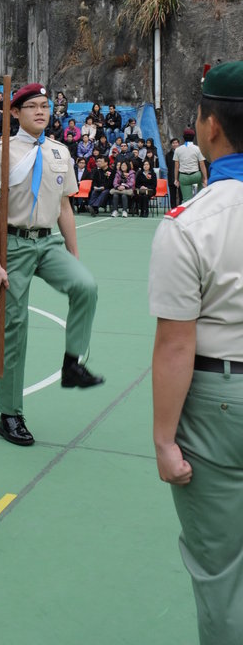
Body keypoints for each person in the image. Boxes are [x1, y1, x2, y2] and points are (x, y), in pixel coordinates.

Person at [149, 61, 243, 645]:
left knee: (221, 572)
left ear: (210, 126)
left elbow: (176, 342)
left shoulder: (190, 224)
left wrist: (164, 439)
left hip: (221, 399)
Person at [0, 83, 103, 449]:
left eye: (45, 106)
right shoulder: (0, 153)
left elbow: (64, 206)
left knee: (85, 285)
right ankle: (9, 413)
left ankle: (72, 364)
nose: (41, 112)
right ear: (15, 113)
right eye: (32, 106)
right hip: (13, 243)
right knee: (14, 328)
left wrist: (73, 253)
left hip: (48, 241)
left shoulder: (59, 152)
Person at [173, 127, 208, 200]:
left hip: (184, 176)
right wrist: (205, 178)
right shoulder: (198, 148)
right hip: (196, 175)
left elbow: (176, 166)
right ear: (193, 137)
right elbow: (202, 164)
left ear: (183, 138)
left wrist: (176, 179)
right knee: (200, 197)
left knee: (186, 199)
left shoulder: (178, 150)